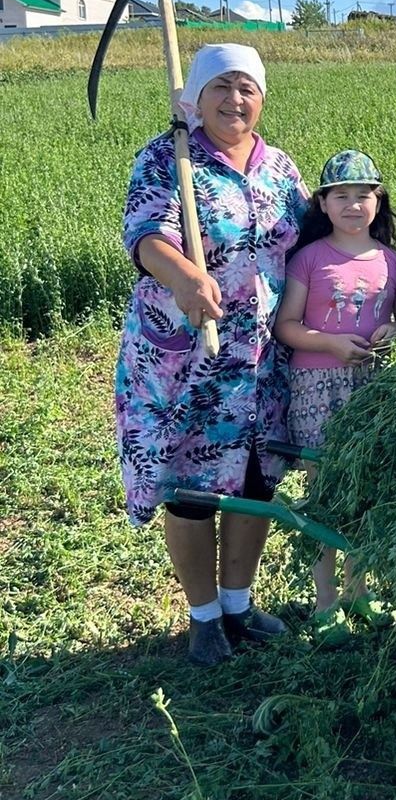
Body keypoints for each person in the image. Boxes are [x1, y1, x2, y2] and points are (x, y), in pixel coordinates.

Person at [117, 43, 308, 668]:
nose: (234, 100)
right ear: (196, 96)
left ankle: (237, 603)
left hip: (261, 359)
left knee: (256, 481)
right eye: (221, 87)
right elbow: (145, 236)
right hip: (187, 356)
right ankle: (202, 618)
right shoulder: (167, 156)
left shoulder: (279, 167)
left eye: (246, 88)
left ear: (262, 98)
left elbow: (310, 238)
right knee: (191, 485)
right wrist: (184, 277)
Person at [275, 151, 396, 639]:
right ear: (324, 203)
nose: (354, 205)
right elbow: (286, 327)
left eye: (364, 195)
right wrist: (331, 343)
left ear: (378, 202)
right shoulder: (309, 259)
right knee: (324, 491)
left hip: (372, 387)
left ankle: (359, 590)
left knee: (365, 490)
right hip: (319, 386)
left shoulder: (393, 263)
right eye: (342, 196)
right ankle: (324, 602)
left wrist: (394, 333)